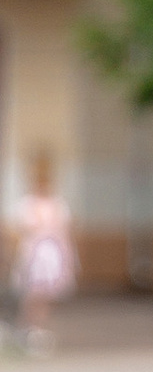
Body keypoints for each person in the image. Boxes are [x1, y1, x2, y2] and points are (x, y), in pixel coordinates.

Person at [8, 150, 77, 351]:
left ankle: (38, 328)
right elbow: (18, 230)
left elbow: (64, 230)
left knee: (45, 294)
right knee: (32, 293)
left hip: (51, 253)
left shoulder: (57, 204)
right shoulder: (28, 204)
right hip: (34, 254)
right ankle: (27, 328)